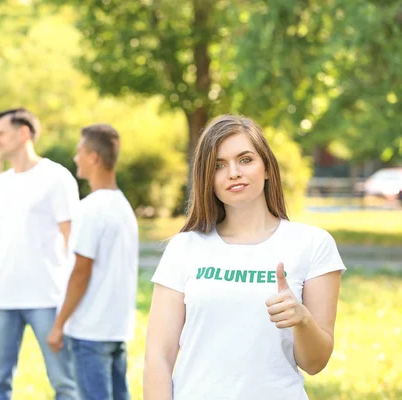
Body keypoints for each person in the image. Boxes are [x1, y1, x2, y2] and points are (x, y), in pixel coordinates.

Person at [143, 115, 346, 400]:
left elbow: (315, 363)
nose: (234, 173)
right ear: (207, 178)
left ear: (266, 168)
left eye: (245, 159)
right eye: (219, 165)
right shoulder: (184, 248)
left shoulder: (312, 244)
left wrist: (303, 320)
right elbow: (158, 358)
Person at [0, 108, 79, 400]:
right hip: (4, 299)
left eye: (1, 134)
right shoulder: (0, 184)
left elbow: (72, 240)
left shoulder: (56, 177)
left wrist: (72, 298)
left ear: (23, 133)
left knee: (64, 383)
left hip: (47, 298)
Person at [47, 124, 139, 400]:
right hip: (116, 330)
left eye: (79, 152)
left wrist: (58, 325)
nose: (76, 158)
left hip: (90, 331)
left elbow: (80, 272)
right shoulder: (124, 207)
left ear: (93, 157)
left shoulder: (90, 209)